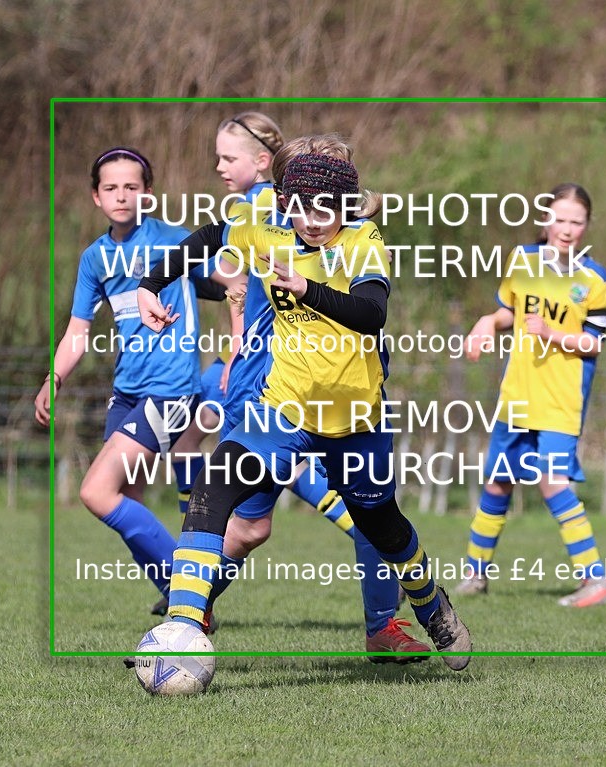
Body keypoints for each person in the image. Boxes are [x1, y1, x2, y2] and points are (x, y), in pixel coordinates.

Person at [137, 144, 472, 670]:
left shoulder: (363, 241)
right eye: (302, 208)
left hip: (354, 421)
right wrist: (149, 285)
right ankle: (181, 626)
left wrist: (307, 288)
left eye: (327, 209)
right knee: (213, 485)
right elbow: (206, 238)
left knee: (379, 523)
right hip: (282, 409)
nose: (314, 222)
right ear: (284, 201)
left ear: (347, 207)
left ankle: (433, 607)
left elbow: (371, 313)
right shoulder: (267, 228)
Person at [196, 125, 420, 661]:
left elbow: (362, 300)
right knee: (252, 524)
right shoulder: (260, 219)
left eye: (230, 157)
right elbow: (218, 273)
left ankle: (382, 627)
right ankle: (187, 615)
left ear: (264, 166)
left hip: (307, 389)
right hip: (270, 389)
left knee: (335, 517)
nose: (221, 168)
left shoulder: (304, 218)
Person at [35, 146, 239, 608]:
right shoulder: (95, 259)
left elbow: (236, 283)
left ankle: (192, 591)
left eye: (132, 186)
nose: (122, 195)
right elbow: (77, 331)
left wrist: (236, 346)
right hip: (126, 392)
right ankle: (181, 596)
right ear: (95, 196)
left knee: (95, 491)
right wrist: (55, 377)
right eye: (111, 187)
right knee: (127, 496)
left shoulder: (177, 241)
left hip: (170, 391)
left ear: (148, 193)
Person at [457, 182, 606, 608]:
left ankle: (596, 582)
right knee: (498, 481)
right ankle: (474, 575)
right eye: (560, 219)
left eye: (576, 222)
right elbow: (508, 311)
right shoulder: (522, 260)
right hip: (518, 393)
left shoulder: (593, 278)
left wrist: (554, 334)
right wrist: (487, 324)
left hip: (561, 398)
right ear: (546, 219)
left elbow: (594, 342)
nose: (567, 229)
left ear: (587, 226)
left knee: (551, 481)